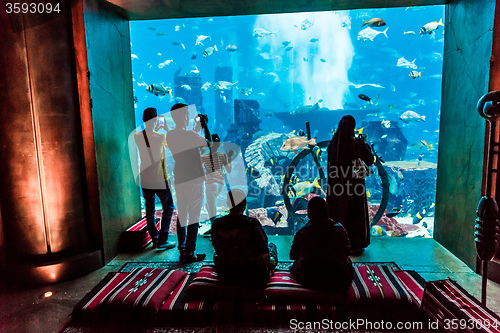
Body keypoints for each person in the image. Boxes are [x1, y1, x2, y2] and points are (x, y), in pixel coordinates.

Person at [166, 103, 210, 263]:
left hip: (180, 178)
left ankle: (182, 249)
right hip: (195, 178)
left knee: (182, 215)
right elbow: (208, 143)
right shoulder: (191, 134)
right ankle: (190, 253)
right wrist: (204, 126)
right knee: (193, 217)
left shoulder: (170, 135)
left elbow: (189, 142)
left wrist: (196, 129)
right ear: (184, 116)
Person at [211, 189, 278, 288]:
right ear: (245, 204)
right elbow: (263, 255)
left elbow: (218, 250)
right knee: (271, 247)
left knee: (216, 255)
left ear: (228, 204)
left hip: (225, 274)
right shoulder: (252, 223)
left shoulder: (217, 224)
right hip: (252, 275)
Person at [327, 115, 374, 253]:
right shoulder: (356, 143)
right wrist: (365, 144)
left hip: (336, 188)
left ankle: (336, 243)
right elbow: (370, 160)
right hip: (354, 188)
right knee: (354, 214)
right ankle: (355, 244)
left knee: (336, 212)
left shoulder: (332, 145)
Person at [289, 197, 354, 293]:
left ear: (309, 213)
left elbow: (292, 255)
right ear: (327, 211)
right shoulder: (340, 229)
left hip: (310, 278)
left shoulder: (304, 231)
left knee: (295, 264)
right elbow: (347, 252)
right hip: (340, 278)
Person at [134, 107, 175, 250]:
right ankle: (163, 239)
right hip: (158, 178)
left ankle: (155, 238)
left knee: (149, 209)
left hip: (145, 179)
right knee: (168, 207)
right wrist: (167, 129)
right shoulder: (160, 137)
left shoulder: (137, 136)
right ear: (156, 119)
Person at [199, 134, 234, 236]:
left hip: (210, 184)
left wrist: (200, 152)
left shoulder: (204, 156)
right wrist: (230, 158)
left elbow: (198, 169)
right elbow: (229, 170)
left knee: (212, 208)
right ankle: (215, 227)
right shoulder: (223, 155)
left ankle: (214, 229)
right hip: (220, 185)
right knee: (209, 206)